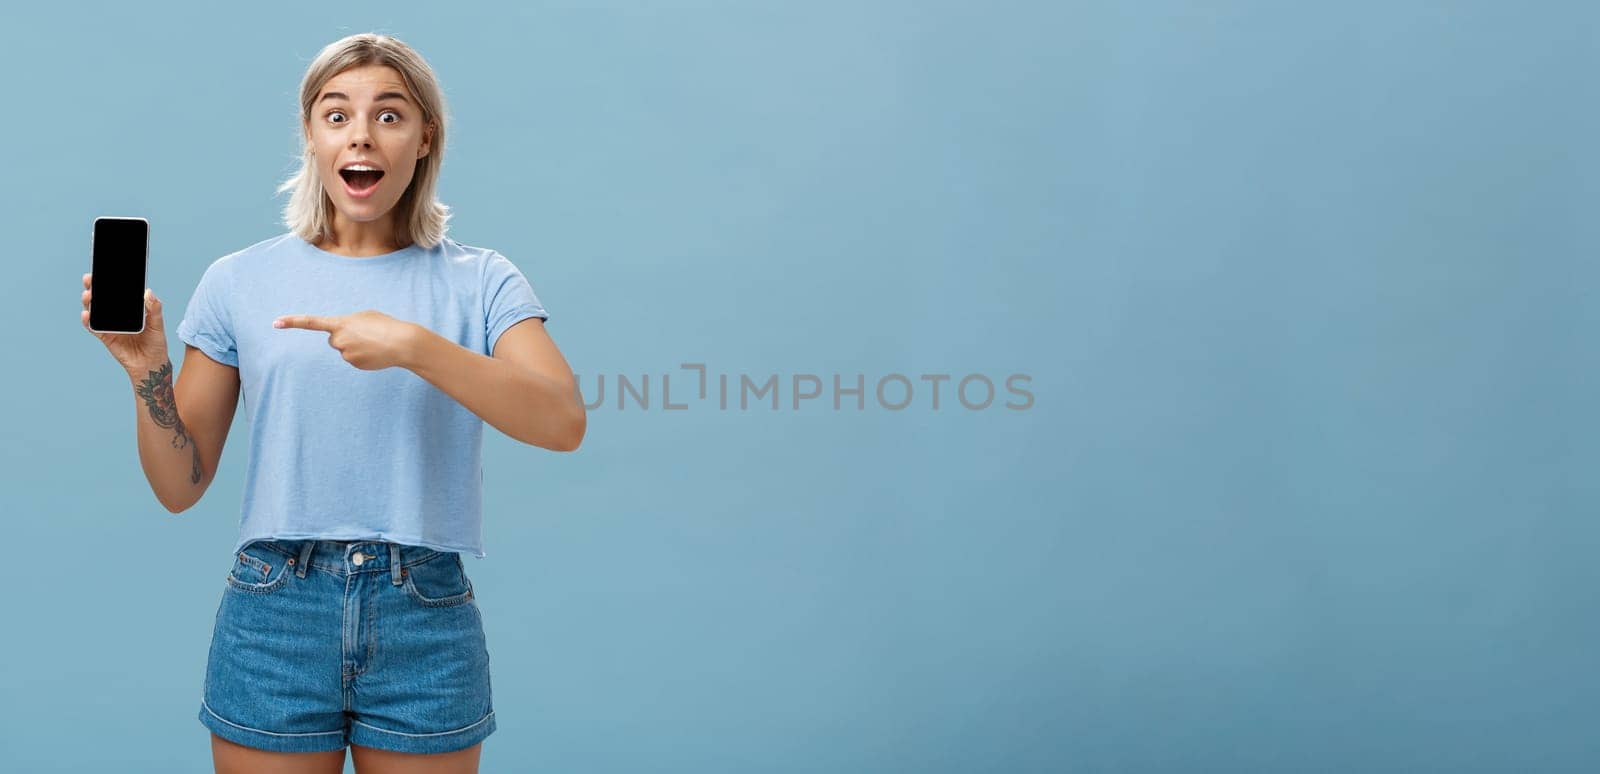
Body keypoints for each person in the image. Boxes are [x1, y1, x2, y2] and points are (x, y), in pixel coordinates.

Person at [80, 32, 584, 774]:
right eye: (336, 114)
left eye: (389, 115)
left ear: (424, 138)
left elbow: (561, 419)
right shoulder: (238, 281)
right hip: (276, 610)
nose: (362, 134)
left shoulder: (482, 281)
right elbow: (179, 486)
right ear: (312, 138)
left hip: (424, 614)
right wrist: (147, 372)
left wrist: (412, 346)